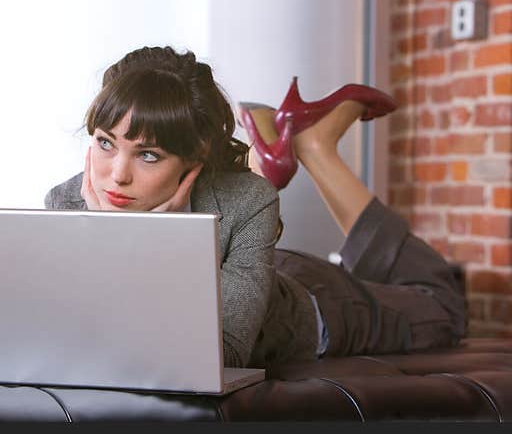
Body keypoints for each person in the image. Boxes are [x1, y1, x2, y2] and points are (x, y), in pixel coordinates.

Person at [44, 46, 466, 368]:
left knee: (444, 307)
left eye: (148, 155)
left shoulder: (249, 201)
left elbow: (224, 353)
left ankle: (317, 147)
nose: (116, 175)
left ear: (193, 159)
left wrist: (160, 241)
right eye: (105, 142)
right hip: (257, 269)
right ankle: (290, 144)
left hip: (316, 305)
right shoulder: (65, 202)